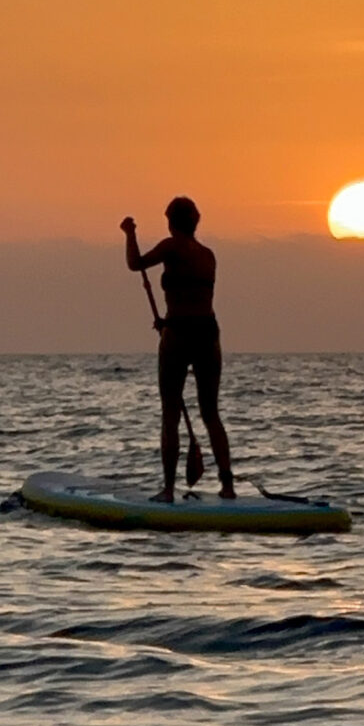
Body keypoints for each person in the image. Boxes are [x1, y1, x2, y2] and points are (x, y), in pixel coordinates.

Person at [120, 197, 235, 502]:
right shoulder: (208, 255)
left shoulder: (171, 247)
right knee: (211, 412)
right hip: (208, 334)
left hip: (179, 337)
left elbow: (135, 264)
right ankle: (228, 486)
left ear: (172, 222)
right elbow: (192, 295)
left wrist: (129, 234)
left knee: (170, 413)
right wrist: (166, 321)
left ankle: (169, 490)